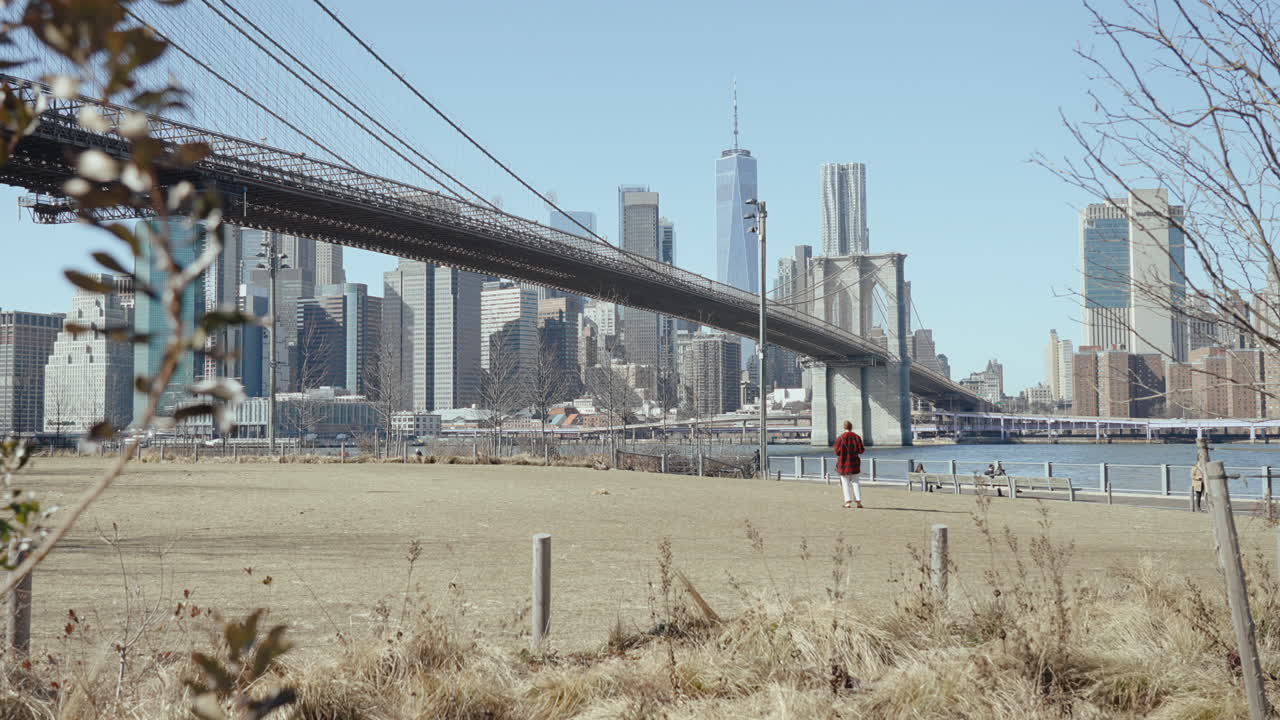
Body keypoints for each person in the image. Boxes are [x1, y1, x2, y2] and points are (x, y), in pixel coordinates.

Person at [833, 420, 866, 509]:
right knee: (856, 482)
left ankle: (847, 502)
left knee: (845, 483)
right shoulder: (857, 437)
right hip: (855, 463)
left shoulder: (840, 438)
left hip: (843, 463)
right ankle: (858, 502)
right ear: (851, 427)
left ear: (844, 427)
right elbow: (861, 450)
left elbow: (836, 452)